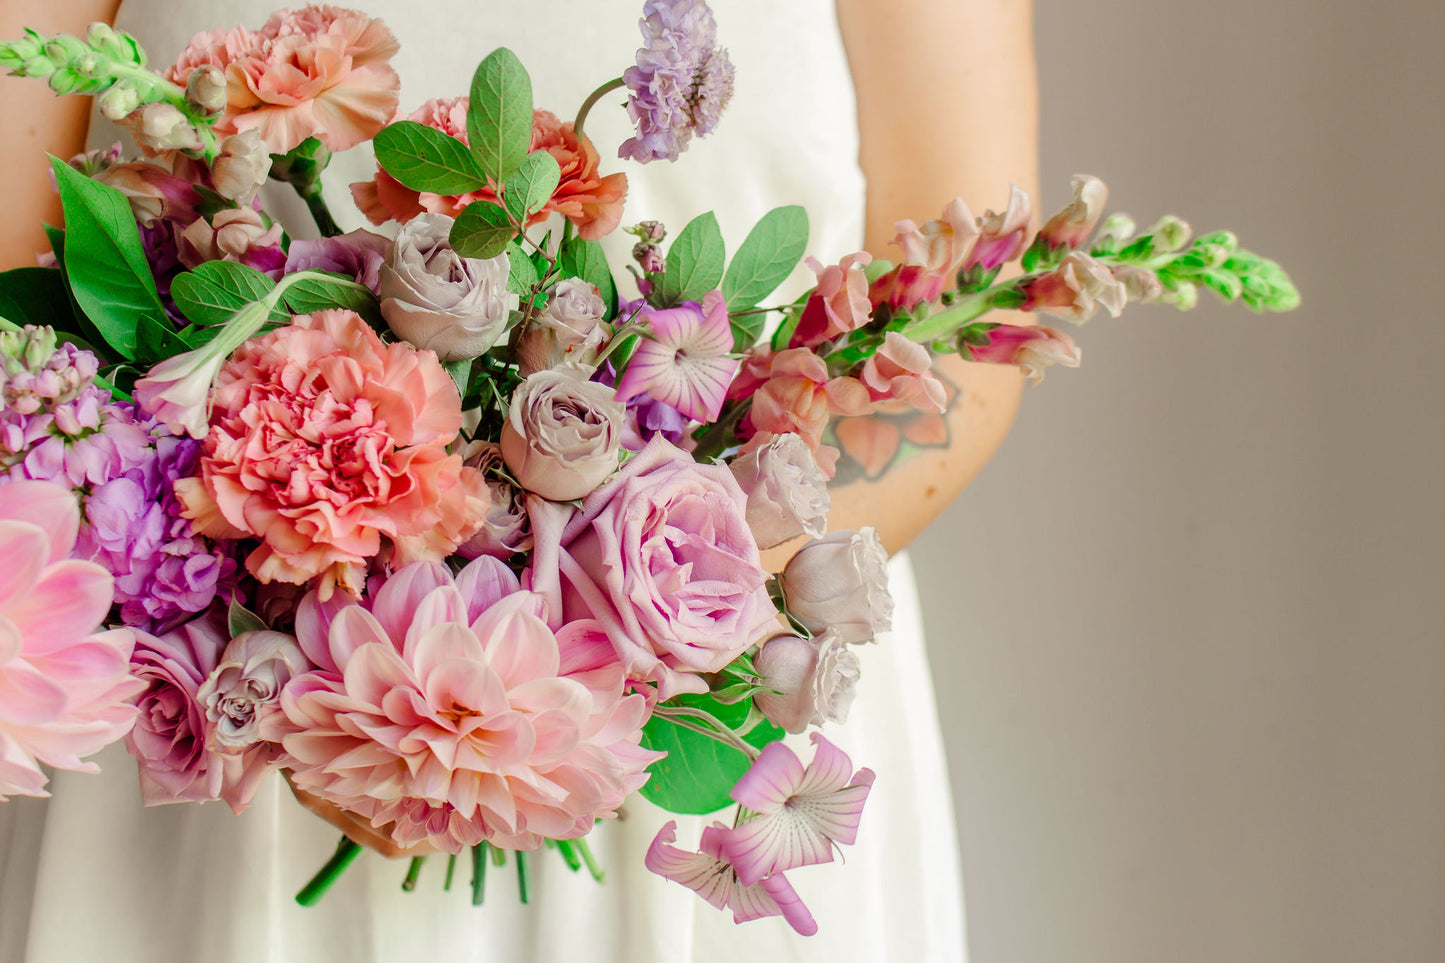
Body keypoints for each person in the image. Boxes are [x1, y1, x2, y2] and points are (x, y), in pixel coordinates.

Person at [0, 1, 1037, 960]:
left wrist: (630, 636)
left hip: (699, 756)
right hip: (218, 746)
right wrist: (323, 673)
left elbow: (968, 337)